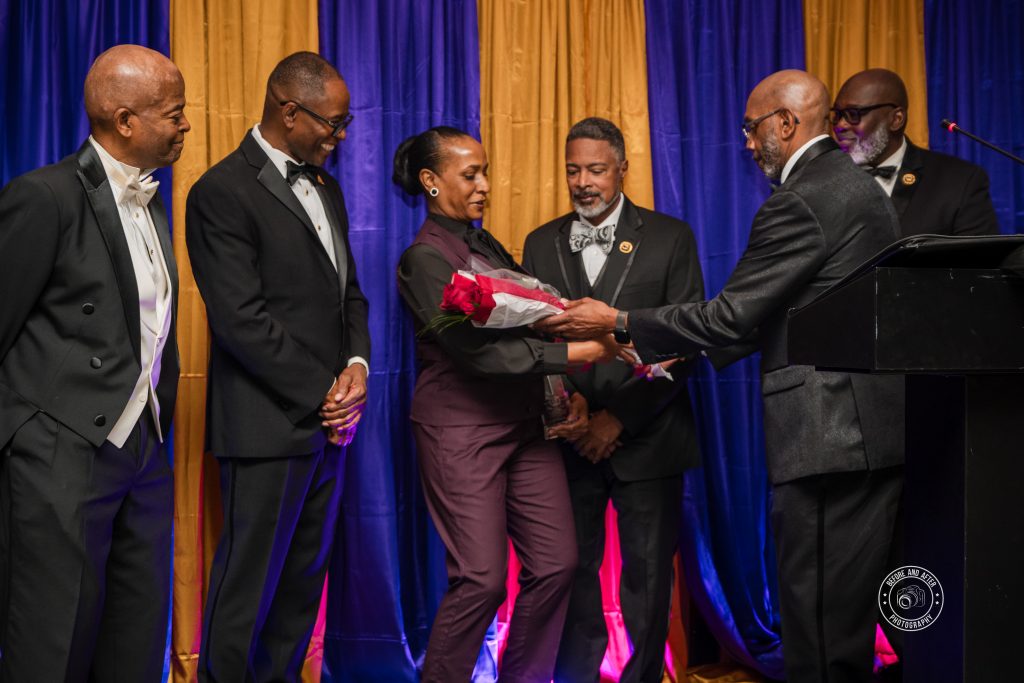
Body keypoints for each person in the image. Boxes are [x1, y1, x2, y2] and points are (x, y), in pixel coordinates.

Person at [537, 70, 906, 683]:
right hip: (860, 429)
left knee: (817, 617)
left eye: (751, 127)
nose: (746, 143)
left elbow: (731, 315)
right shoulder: (850, 184)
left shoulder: (803, 198)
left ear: (785, 124)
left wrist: (619, 323)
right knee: (837, 614)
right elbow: (764, 320)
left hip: (831, 433)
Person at [394, 126, 619, 682]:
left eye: (485, 172)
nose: (485, 185)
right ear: (430, 181)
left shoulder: (484, 245)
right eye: (470, 175)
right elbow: (477, 355)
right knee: (482, 579)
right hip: (461, 431)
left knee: (558, 563)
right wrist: (576, 353)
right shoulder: (423, 260)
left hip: (523, 426)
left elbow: (522, 324)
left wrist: (559, 391)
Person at [0, 44, 189, 681]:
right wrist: (26, 435)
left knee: (137, 636)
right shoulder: (43, 196)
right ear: (124, 119)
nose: (185, 125)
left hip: (143, 448)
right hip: (61, 451)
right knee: (54, 638)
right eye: (174, 112)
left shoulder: (153, 201)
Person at [186, 51, 370, 681]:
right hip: (265, 427)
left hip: (329, 428)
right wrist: (325, 392)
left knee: (299, 593)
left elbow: (349, 294)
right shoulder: (220, 191)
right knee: (246, 594)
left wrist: (357, 365)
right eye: (333, 123)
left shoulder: (327, 186)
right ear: (290, 111)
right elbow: (241, 319)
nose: (339, 136)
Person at [521, 117, 703, 683]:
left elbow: (687, 343)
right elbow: (529, 342)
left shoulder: (671, 237)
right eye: (573, 169)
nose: (583, 181)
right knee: (571, 576)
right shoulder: (538, 242)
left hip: (649, 441)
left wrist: (616, 419)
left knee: (648, 583)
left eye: (595, 169)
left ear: (622, 168)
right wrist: (569, 411)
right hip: (570, 443)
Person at [832, 68, 999, 236]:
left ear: (896, 119)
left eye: (853, 114)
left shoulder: (960, 181)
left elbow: (980, 259)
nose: (840, 125)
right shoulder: (822, 178)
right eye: (837, 115)